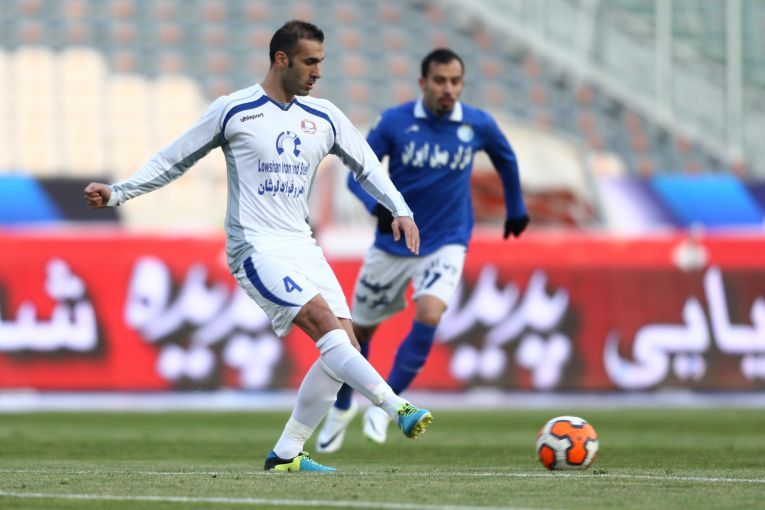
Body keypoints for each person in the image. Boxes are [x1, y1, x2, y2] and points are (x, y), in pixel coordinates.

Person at [84, 20, 433, 473]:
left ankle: (286, 453)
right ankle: (395, 406)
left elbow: (367, 166)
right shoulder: (235, 110)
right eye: (309, 62)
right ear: (280, 60)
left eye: (321, 62)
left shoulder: (324, 117)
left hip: (302, 245)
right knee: (324, 324)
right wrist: (118, 193)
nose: (317, 72)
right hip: (254, 247)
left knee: (344, 348)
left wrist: (400, 208)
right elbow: (174, 158)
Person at [316, 48, 528, 453]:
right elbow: (355, 174)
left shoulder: (477, 123)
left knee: (430, 313)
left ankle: (387, 406)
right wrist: (376, 208)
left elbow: (505, 158)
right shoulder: (395, 122)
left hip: (447, 240)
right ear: (423, 83)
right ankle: (342, 407)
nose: (448, 89)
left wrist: (516, 208)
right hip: (394, 244)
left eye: (455, 81)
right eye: (440, 81)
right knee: (358, 333)